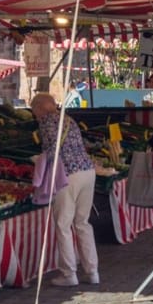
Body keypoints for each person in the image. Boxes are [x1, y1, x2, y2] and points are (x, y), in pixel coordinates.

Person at [30, 93, 99, 287]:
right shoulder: (67, 119)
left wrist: (39, 160)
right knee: (83, 223)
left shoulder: (46, 122)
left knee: (63, 224)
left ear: (41, 108)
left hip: (68, 175)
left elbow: (52, 151)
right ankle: (92, 271)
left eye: (34, 111)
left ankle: (69, 273)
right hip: (87, 171)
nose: (35, 116)